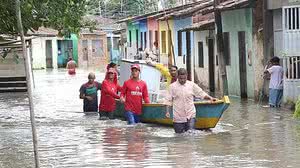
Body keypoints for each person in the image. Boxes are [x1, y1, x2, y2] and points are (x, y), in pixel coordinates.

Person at [165, 68, 217, 133]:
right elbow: (168, 100)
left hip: (190, 114)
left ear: (186, 76)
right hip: (178, 117)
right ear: (177, 76)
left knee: (191, 134)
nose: (182, 80)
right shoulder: (172, 87)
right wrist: (167, 112)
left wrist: (210, 98)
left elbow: (201, 93)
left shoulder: (191, 85)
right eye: (180, 79)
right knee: (179, 136)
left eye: (184, 78)